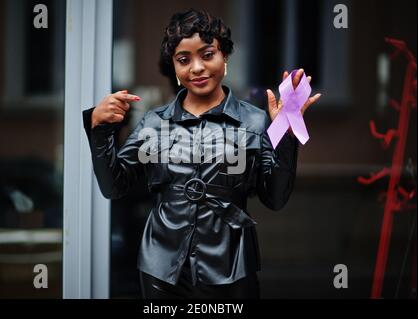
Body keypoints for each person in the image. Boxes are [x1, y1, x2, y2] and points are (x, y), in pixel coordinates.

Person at [82, 9, 321, 299]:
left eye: (207, 55)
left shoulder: (254, 122)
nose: (196, 68)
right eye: (184, 60)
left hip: (231, 265)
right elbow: (114, 186)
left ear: (225, 58)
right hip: (162, 266)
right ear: (174, 66)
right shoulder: (155, 123)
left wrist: (287, 129)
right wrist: (100, 128)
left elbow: (275, 197)